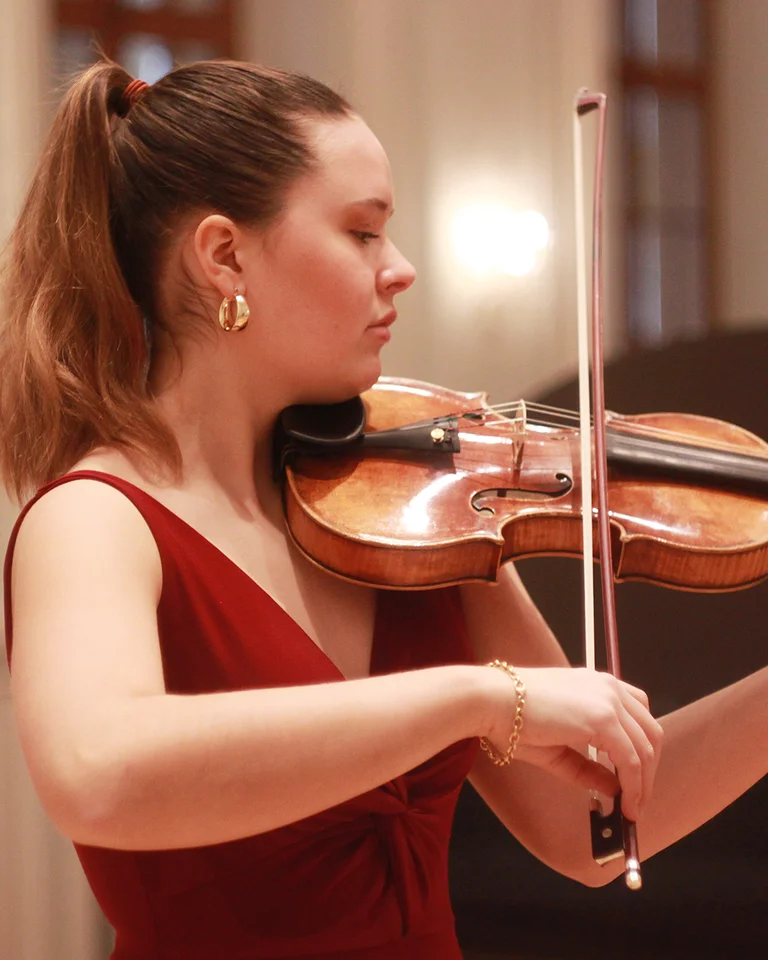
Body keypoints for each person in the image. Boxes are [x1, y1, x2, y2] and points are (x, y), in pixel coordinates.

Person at [0, 57, 764, 960]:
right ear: (224, 256)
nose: (400, 269)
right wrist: (478, 697)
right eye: (362, 232)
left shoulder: (415, 511)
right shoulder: (95, 520)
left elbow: (592, 825)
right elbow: (97, 774)